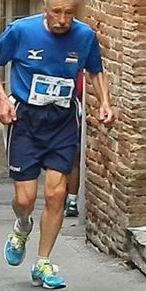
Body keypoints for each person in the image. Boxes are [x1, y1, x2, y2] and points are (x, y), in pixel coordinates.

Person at [0, 0, 114, 289]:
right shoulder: (21, 31)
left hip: (62, 120)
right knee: (25, 198)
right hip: (26, 120)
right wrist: (2, 98)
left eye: (69, 13)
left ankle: (43, 262)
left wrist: (105, 103)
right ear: (45, 7)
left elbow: (95, 71)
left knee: (56, 193)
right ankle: (21, 225)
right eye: (57, 12)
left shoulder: (84, 36)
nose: (62, 20)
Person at [64, 70, 83, 217]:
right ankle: (69, 198)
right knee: (71, 159)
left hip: (73, 112)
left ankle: (70, 198)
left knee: (72, 157)